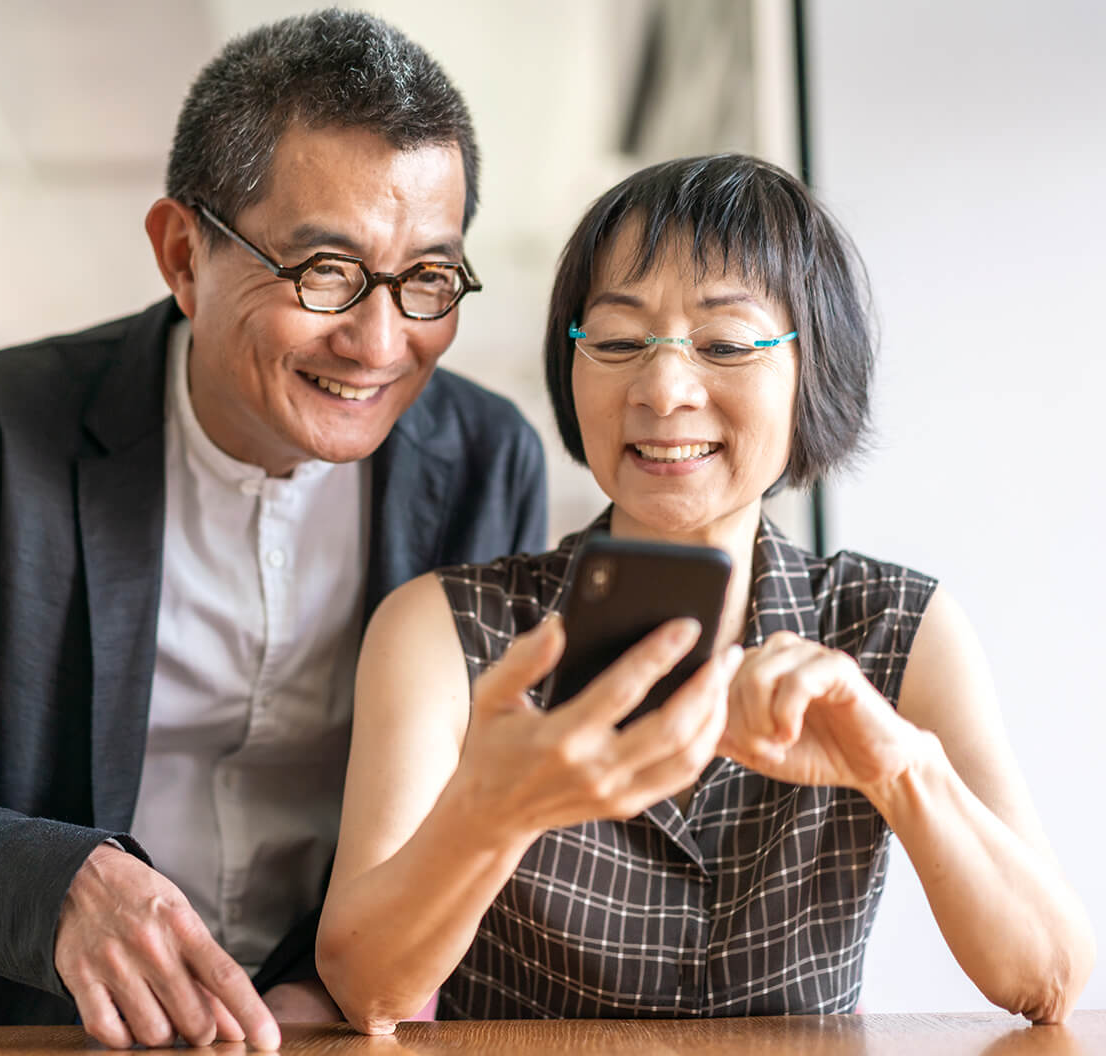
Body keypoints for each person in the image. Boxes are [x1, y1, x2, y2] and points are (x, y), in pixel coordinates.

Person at [0, 10, 547, 1050]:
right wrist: (67, 888)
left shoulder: (485, 460)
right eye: (325, 270)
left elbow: (469, 810)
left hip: (313, 1029)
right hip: (6, 1027)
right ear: (184, 254)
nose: (380, 344)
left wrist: (325, 990)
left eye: (427, 279)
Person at [316, 154, 1095, 1030]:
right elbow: (364, 986)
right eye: (616, 341)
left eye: (724, 345)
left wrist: (897, 765)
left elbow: (1051, 980)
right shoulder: (444, 630)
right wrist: (498, 811)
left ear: (813, 370)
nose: (662, 388)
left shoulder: (896, 629)